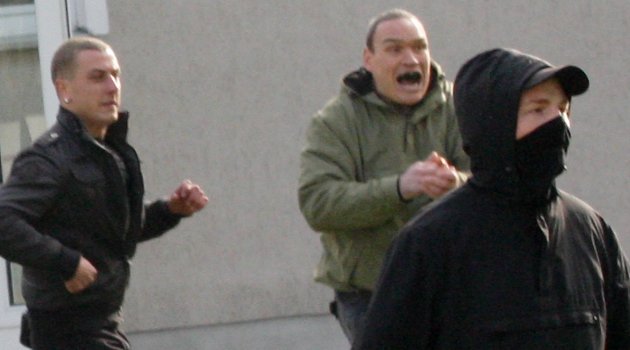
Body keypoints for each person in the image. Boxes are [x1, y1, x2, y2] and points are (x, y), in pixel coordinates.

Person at [352, 47, 630, 349]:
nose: (558, 123)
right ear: (493, 125)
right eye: (538, 109)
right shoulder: (430, 242)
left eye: (563, 109)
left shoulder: (589, 231)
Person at [0, 37, 208, 350]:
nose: (112, 87)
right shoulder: (48, 158)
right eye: (97, 77)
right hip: (65, 331)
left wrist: (170, 211)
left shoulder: (108, 152)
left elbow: (112, 233)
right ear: (64, 90)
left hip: (102, 326)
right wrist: (65, 262)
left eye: (115, 75)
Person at [298, 8, 469, 342]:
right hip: (370, 296)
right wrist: (400, 188)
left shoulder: (459, 106)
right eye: (394, 49)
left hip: (453, 288)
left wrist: (455, 184)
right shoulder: (336, 121)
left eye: (419, 47)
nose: (411, 58)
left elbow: (493, 178)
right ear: (369, 59)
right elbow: (317, 203)